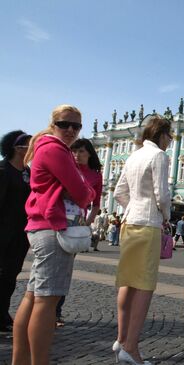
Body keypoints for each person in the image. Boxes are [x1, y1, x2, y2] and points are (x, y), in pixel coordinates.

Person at [12, 105, 95, 365]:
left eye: (76, 126)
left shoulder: (45, 147)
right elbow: (83, 193)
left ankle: (20, 361)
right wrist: (85, 191)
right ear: (53, 123)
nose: (70, 130)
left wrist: (78, 187)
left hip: (42, 225)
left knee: (33, 295)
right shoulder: (55, 149)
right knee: (47, 301)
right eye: (64, 124)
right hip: (53, 227)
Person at [113, 115, 172, 365]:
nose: (170, 140)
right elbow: (162, 194)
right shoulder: (158, 155)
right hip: (148, 224)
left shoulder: (134, 155)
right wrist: (165, 216)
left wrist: (133, 207)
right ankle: (131, 347)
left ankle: (120, 339)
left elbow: (119, 193)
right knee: (145, 286)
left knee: (128, 282)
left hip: (130, 222)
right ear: (161, 135)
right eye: (169, 135)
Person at [55, 138, 104, 327]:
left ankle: (56, 312)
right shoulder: (66, 169)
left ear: (90, 153)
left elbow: (97, 204)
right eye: (74, 151)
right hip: (57, 218)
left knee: (65, 268)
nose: (77, 155)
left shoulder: (95, 175)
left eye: (81, 151)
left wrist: (88, 223)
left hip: (76, 224)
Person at [0, 130, 31, 333]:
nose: (32, 148)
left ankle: (2, 312)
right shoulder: (3, 171)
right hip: (4, 231)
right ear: (16, 148)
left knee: (11, 274)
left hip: (22, 232)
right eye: (28, 145)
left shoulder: (27, 172)